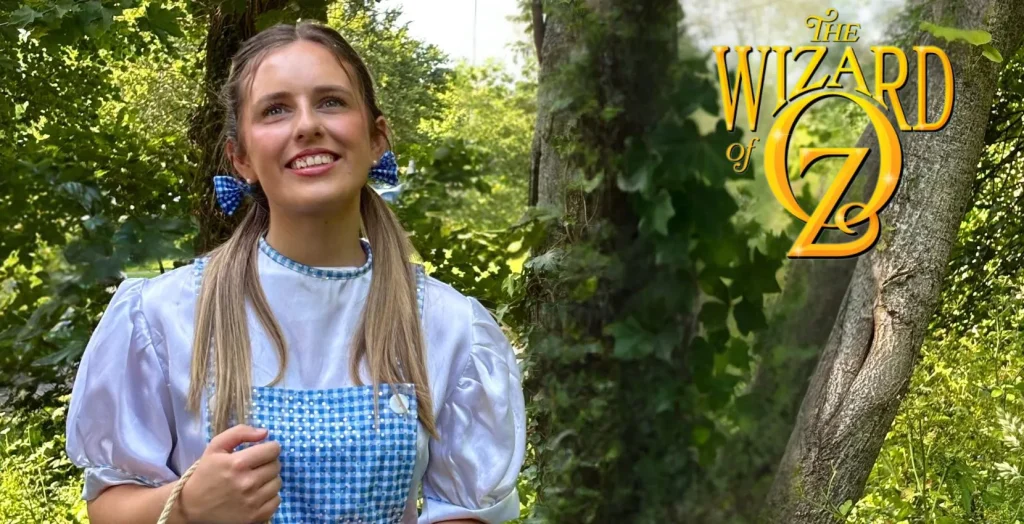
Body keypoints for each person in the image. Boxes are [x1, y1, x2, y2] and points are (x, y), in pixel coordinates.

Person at [64, 21, 525, 524]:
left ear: (376, 138)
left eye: (331, 101)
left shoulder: (448, 327)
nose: (306, 125)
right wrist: (189, 507)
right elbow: (109, 506)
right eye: (275, 109)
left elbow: (466, 512)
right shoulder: (163, 317)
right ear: (240, 157)